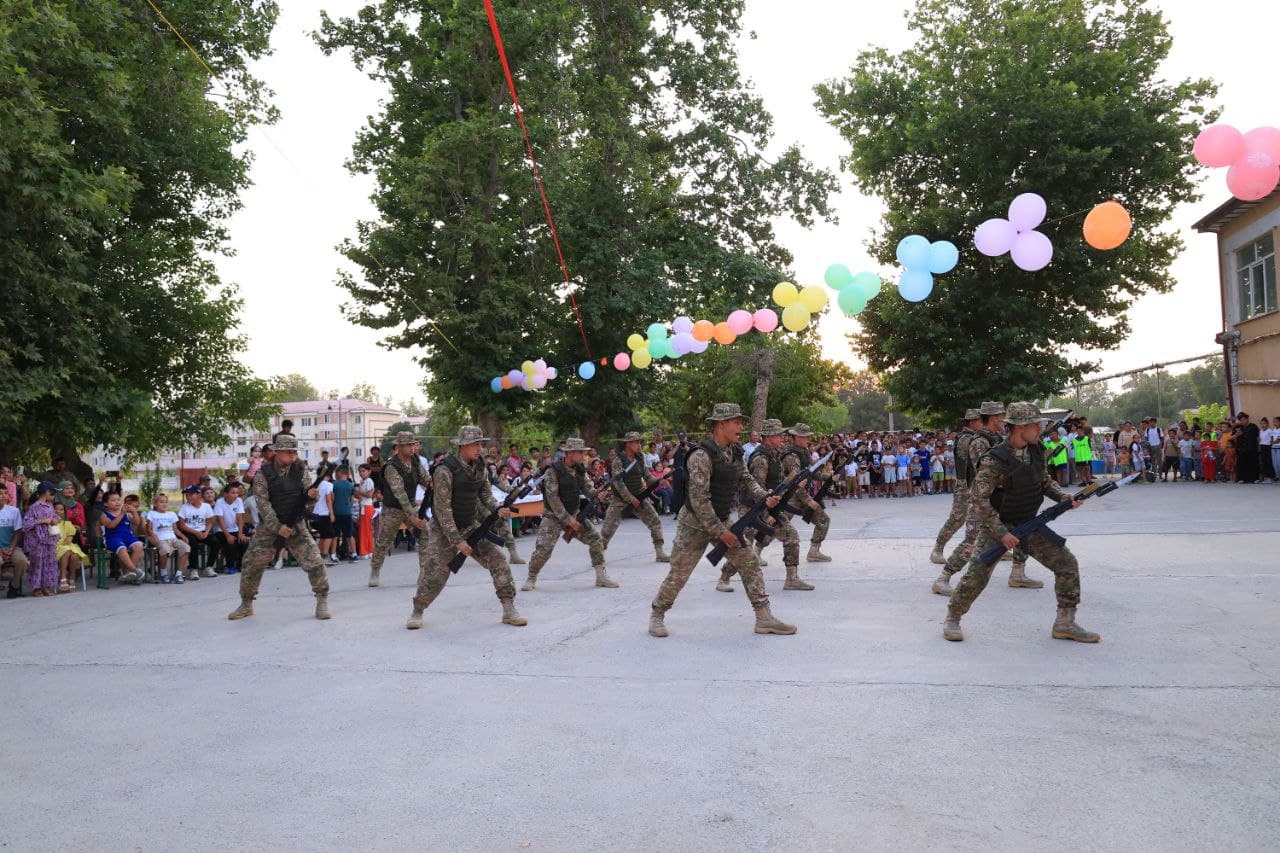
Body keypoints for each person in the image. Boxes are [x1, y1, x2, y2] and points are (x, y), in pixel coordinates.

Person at [943, 402, 1098, 644]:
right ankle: (953, 617)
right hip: (998, 525)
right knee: (976, 576)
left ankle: (1065, 623)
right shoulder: (995, 459)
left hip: (1028, 522)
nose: (1039, 429)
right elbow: (979, 500)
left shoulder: (1037, 450)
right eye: (1035, 424)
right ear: (1019, 427)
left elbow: (1044, 481)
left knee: (1067, 564)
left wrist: (1063, 497)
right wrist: (1001, 533)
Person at [650, 403, 794, 638]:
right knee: (679, 574)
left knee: (749, 562)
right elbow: (699, 500)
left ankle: (764, 617)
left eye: (741, 421)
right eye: (736, 422)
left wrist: (764, 497)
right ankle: (657, 614)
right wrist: (720, 531)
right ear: (721, 424)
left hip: (723, 519)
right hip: (694, 524)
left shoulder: (735, 451)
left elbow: (747, 479)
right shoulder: (700, 456)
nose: (741, 426)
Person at [407, 426, 524, 630]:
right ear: (462, 446)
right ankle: (418, 609)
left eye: (481, 443)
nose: (480, 448)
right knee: (437, 574)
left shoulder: (480, 467)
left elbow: (486, 495)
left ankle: (509, 608)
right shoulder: (445, 470)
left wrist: (498, 508)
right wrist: (457, 541)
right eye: (475, 444)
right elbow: (442, 510)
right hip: (444, 530)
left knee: (498, 560)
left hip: (470, 525)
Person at [932, 402, 1038, 594]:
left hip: (1002, 498)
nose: (1004, 420)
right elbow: (988, 471)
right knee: (972, 542)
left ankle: (1018, 573)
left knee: (1022, 531)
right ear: (991, 418)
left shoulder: (996, 438)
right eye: (1001, 417)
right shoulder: (979, 442)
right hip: (984, 500)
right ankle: (943, 578)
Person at [228, 434, 331, 621]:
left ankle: (322, 599)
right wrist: (277, 527)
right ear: (276, 452)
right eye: (289, 451)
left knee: (315, 561)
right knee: (251, 563)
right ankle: (246, 603)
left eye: (294, 451)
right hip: (269, 526)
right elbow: (263, 504)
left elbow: (307, 496)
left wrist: (312, 496)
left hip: (295, 524)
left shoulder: (300, 469)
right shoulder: (263, 474)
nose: (293, 455)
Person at [721, 418, 812, 592]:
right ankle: (724, 577)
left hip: (770, 506)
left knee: (791, 535)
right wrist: (766, 514)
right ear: (769, 437)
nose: (782, 438)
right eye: (779, 435)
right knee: (743, 547)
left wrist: (794, 485)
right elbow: (757, 490)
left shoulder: (775, 455)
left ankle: (792, 579)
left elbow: (777, 485)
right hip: (753, 509)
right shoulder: (761, 459)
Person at [522, 438, 617, 591]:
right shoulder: (553, 470)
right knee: (543, 550)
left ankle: (601, 576)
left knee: (596, 540)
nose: (583, 455)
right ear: (570, 453)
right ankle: (531, 577)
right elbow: (553, 498)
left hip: (574, 514)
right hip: (553, 516)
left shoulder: (580, 469)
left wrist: (598, 494)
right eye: (580, 452)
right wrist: (568, 520)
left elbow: (588, 489)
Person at [367, 431, 429, 588]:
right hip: (392, 509)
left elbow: (425, 479)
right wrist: (413, 516)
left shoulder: (415, 461)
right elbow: (399, 493)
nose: (412, 447)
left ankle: (424, 573)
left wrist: (438, 486)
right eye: (408, 445)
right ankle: (375, 570)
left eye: (413, 444)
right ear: (399, 447)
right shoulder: (391, 466)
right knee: (383, 542)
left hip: (411, 506)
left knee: (425, 535)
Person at [601, 431, 669, 562]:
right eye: (637, 442)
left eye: (639, 442)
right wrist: (630, 499)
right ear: (628, 444)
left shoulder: (640, 457)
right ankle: (598, 557)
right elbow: (618, 483)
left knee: (655, 522)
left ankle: (660, 553)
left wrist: (657, 482)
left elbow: (647, 476)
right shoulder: (618, 460)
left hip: (639, 495)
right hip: (620, 499)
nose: (639, 445)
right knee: (607, 530)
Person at [930, 409, 980, 564]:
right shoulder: (966, 438)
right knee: (958, 518)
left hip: (975, 484)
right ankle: (938, 549)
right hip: (965, 485)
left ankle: (995, 548)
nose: (983, 424)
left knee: (989, 517)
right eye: (980, 420)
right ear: (972, 422)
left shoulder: (974, 437)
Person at [786, 423, 833, 564]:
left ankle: (814, 552)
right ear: (797, 437)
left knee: (823, 520)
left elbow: (813, 473)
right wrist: (808, 500)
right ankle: (756, 551)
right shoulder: (792, 456)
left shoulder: (804, 452)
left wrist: (829, 477)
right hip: (790, 497)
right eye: (805, 436)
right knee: (775, 525)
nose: (808, 439)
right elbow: (795, 481)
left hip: (802, 494)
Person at [22, 482, 60, 596]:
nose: (53, 495)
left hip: (49, 538)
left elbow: (53, 517)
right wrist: (43, 521)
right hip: (37, 540)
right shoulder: (34, 507)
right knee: (37, 563)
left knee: (49, 562)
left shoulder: (50, 505)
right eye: (52, 492)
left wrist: (55, 519)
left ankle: (46, 586)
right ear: (46, 492)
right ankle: (36, 588)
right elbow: (26, 524)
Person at [101, 492, 145, 584]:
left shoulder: (127, 513)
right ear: (105, 503)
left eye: (118, 500)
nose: (117, 502)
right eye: (113, 500)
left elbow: (136, 523)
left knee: (139, 545)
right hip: (113, 538)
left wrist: (134, 512)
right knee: (122, 548)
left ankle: (129, 574)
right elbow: (111, 525)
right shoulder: (103, 515)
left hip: (128, 537)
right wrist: (121, 514)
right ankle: (134, 570)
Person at [145, 493, 190, 584]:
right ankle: (163, 572)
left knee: (186, 548)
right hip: (160, 539)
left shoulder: (171, 514)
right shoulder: (152, 513)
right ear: (155, 504)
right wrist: (153, 536)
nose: (164, 504)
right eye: (161, 502)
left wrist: (182, 536)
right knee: (165, 550)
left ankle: (179, 573)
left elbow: (175, 529)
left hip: (172, 538)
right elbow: (148, 528)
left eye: (166, 502)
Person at [177, 486, 217, 579]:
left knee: (215, 542)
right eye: (187, 495)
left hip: (203, 531)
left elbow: (210, 521)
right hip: (189, 531)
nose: (188, 497)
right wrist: (196, 533)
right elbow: (181, 525)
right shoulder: (184, 507)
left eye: (190, 495)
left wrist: (206, 533)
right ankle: (193, 569)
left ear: (198, 495)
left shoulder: (206, 506)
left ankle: (209, 567)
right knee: (193, 544)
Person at [211, 484, 247, 574]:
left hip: (234, 528)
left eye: (237, 493)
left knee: (244, 541)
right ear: (225, 494)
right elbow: (220, 519)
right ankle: (229, 566)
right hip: (221, 530)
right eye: (233, 493)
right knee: (230, 543)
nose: (235, 495)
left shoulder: (238, 500)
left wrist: (240, 533)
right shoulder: (220, 502)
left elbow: (240, 518)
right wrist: (227, 535)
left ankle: (240, 565)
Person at [1, 486, 29, 598]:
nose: (3, 496)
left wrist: (11, 549)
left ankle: (14, 587)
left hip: (11, 547)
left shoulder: (14, 511)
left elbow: (17, 533)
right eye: (0, 493)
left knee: (22, 560)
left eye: (5, 493)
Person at [53, 502, 86, 592]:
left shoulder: (67, 524)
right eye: (56, 509)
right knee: (68, 552)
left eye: (61, 510)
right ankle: (65, 579)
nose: (58, 511)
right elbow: (53, 540)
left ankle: (69, 579)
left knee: (72, 554)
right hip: (55, 547)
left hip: (68, 546)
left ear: (64, 512)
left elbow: (69, 540)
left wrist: (66, 540)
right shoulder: (50, 523)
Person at [310, 469, 337, 563]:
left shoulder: (315, 485)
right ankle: (325, 556)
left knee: (323, 535)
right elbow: (328, 500)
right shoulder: (328, 485)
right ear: (328, 475)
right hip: (324, 514)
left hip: (315, 514)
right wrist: (332, 514)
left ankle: (316, 557)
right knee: (330, 534)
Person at [331, 466, 357, 562]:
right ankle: (354, 554)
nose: (335, 474)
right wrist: (348, 507)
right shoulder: (350, 485)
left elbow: (332, 498)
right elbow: (352, 500)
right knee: (349, 535)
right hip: (347, 512)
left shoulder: (334, 484)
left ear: (340, 473)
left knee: (335, 535)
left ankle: (333, 555)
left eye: (336, 472)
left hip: (336, 512)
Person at [1235, 413, 1260, 483]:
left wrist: (1258, 447)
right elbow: (1236, 436)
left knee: (1253, 463)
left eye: (1244, 419)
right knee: (1243, 464)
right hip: (1242, 449)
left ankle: (1255, 479)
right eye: (1241, 420)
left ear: (1247, 419)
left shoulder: (1253, 426)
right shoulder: (1240, 428)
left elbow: (1256, 436)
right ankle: (1243, 478)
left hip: (1252, 449)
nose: (1243, 421)